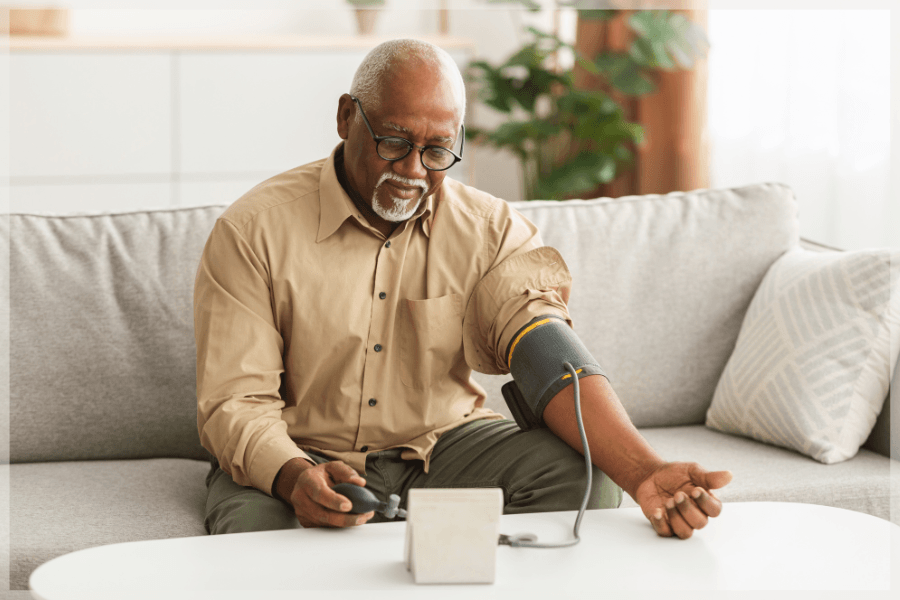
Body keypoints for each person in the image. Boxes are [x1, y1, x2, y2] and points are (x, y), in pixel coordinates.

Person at [194, 38, 732, 541]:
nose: (411, 169)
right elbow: (235, 402)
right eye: (394, 141)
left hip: (442, 448)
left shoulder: (492, 230)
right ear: (344, 117)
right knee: (255, 537)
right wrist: (291, 477)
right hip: (299, 451)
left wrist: (645, 470)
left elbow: (545, 352)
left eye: (436, 150)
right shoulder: (253, 231)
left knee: (583, 476)